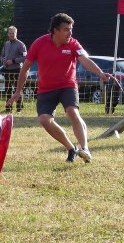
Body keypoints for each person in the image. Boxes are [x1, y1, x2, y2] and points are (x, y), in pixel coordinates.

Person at [7, 13, 115, 163]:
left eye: (71, 29)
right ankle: (71, 148)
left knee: (72, 112)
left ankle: (85, 148)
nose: (69, 33)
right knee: (44, 120)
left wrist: (101, 73)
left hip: (67, 85)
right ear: (55, 31)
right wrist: (18, 92)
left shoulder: (73, 44)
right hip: (46, 88)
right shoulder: (39, 43)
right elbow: (24, 69)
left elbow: (85, 60)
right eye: (66, 29)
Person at [0, 26, 27, 113]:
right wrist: (3, 60)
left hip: (17, 69)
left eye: (13, 33)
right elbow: (2, 55)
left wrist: (13, 61)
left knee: (17, 89)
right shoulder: (6, 44)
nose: (11, 35)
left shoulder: (21, 44)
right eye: (10, 33)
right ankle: (8, 108)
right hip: (6, 69)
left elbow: (25, 57)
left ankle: (19, 108)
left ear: (16, 34)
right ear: (8, 34)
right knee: (7, 89)